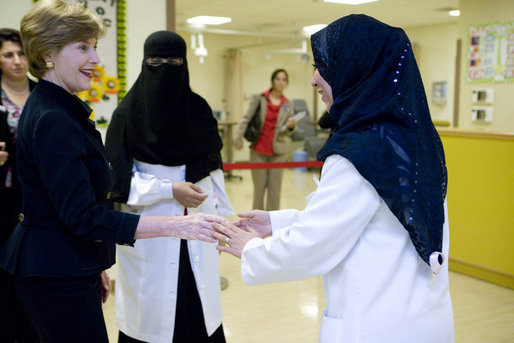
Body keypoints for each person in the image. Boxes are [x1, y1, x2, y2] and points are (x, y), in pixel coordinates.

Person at [213, 14, 454, 343]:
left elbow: (316, 245)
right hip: (422, 318)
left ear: (356, 69)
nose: (313, 80)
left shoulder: (358, 152)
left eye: (323, 67)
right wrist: (277, 224)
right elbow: (367, 223)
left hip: (374, 325)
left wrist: (252, 249)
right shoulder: (411, 139)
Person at [0, 1, 224, 342]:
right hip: (55, 270)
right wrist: (174, 223)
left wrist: (94, 262)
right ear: (48, 52)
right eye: (82, 48)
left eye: (95, 47)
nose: (95, 59)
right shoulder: (54, 119)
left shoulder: (59, 106)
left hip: (68, 263)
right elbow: (82, 215)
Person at [105, 30, 233, 343]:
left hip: (198, 232)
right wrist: (168, 190)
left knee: (198, 309)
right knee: (152, 320)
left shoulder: (199, 110)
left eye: (174, 61)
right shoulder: (126, 115)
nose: (165, 68)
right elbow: (118, 181)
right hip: (151, 232)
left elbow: (212, 166)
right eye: (156, 61)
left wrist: (222, 216)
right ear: (144, 62)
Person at [0, 27, 39, 343]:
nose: (17, 61)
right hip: (3, 196)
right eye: (8, 55)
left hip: (38, 195)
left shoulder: (43, 94)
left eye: (21, 53)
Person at [234, 69, 296, 211]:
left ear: (286, 83)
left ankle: (272, 223)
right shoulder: (260, 99)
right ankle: (256, 222)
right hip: (258, 151)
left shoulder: (288, 104)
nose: (281, 82)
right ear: (272, 81)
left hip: (278, 152)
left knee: (275, 191)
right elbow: (246, 119)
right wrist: (238, 139)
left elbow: (286, 132)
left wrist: (290, 127)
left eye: (284, 79)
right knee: (259, 190)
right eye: (278, 79)